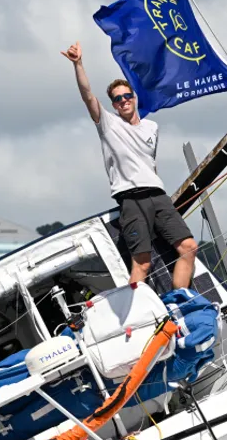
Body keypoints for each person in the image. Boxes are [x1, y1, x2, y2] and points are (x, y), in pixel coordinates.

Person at [61, 41, 198, 290]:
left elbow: (150, 162)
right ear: (113, 105)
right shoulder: (109, 124)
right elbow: (87, 95)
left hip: (157, 195)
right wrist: (78, 64)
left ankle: (182, 299)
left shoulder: (152, 127)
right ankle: (139, 316)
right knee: (142, 263)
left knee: (188, 247)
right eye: (117, 99)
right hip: (130, 199)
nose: (123, 101)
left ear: (134, 98)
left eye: (126, 96)